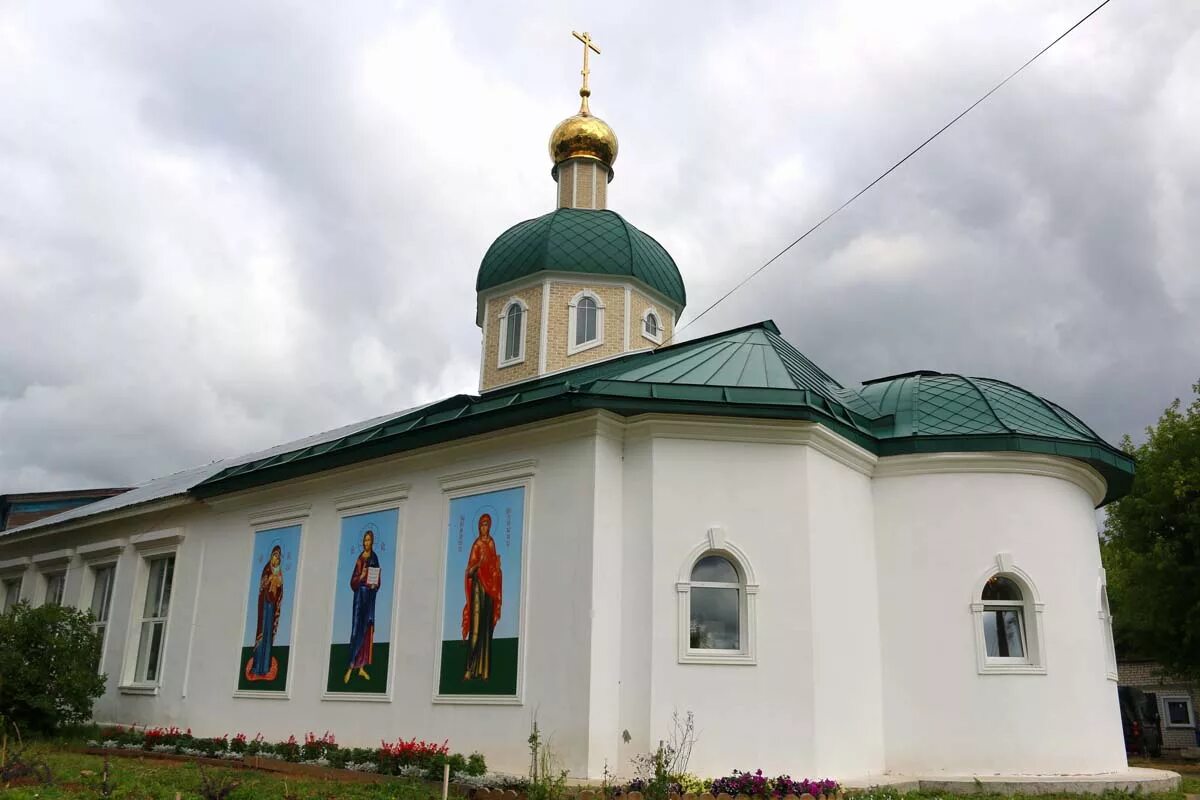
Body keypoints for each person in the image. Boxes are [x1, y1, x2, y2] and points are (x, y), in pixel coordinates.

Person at [461, 513, 502, 680]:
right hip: (478, 589)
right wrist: (479, 564)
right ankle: (469, 668)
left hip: (488, 592)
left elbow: (494, 568)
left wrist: (496, 569)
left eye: (487, 524)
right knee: (476, 629)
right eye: (482, 524)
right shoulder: (476, 545)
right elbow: (469, 571)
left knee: (486, 629)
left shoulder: (491, 543)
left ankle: (484, 671)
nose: (484, 527)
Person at [344, 529, 381, 683]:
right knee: (356, 630)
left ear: (372, 542)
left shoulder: (374, 558)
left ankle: (361, 668)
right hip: (359, 598)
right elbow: (352, 582)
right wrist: (361, 577)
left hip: (369, 598)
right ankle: (350, 666)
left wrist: (374, 584)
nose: (366, 543)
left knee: (366, 631)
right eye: (364, 540)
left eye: (368, 540)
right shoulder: (360, 559)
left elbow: (377, 579)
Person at [250, 544, 284, 679]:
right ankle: (257, 666)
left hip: (272, 606)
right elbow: (263, 586)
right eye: (275, 555)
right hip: (265, 606)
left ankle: (265, 667)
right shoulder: (266, 569)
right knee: (262, 633)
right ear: (271, 556)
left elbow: (281, 590)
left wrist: (278, 583)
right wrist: (270, 580)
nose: (276, 558)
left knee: (269, 634)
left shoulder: (279, 571)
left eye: (278, 556)